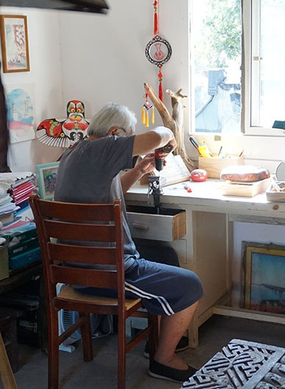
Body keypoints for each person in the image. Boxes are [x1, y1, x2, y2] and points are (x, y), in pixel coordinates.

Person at [54, 103, 203, 383]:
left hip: (80, 267)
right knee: (191, 285)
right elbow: (156, 137)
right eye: (128, 137)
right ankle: (163, 361)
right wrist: (168, 132)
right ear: (114, 133)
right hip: (106, 274)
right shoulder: (103, 148)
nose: (129, 147)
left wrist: (140, 169)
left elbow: (110, 192)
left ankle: (157, 342)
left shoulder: (75, 153)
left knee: (166, 255)